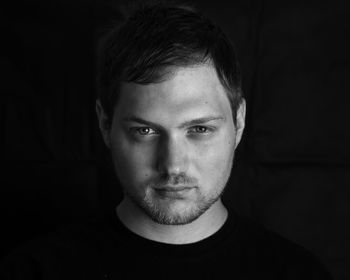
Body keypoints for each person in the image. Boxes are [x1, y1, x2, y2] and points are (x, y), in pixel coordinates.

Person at [0, 1, 332, 279]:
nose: (172, 164)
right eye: (145, 131)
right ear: (105, 124)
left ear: (239, 123)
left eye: (199, 130)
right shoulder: (34, 271)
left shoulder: (298, 273)